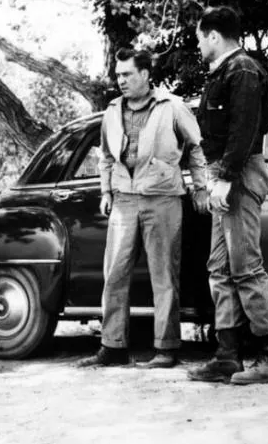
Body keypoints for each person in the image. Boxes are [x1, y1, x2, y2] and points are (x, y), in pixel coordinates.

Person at [78, 48, 208, 369]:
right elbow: (105, 156)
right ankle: (113, 346)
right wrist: (105, 190)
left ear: (146, 74)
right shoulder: (112, 110)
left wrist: (201, 188)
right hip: (123, 199)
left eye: (127, 74)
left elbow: (196, 148)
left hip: (163, 198)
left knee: (164, 276)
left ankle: (166, 349)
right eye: (118, 75)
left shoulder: (172, 106)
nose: (121, 81)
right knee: (114, 273)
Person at [186, 6, 268, 384]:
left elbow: (246, 128)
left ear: (214, 36)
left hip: (237, 175)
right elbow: (257, 122)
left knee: (246, 267)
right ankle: (227, 356)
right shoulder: (227, 72)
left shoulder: (242, 70)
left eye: (200, 38)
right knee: (219, 267)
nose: (199, 45)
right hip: (226, 173)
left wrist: (226, 177)